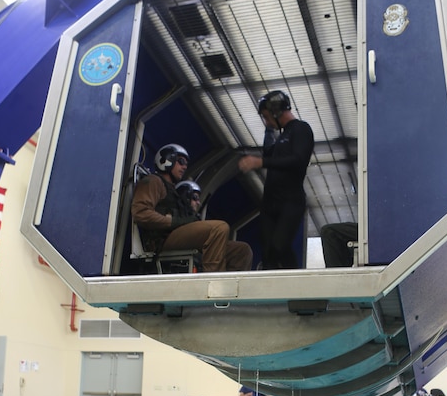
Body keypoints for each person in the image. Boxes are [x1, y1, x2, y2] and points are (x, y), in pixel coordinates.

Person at [131, 144, 252, 273]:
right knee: (219, 228)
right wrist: (172, 221)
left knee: (241, 251)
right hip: (163, 239)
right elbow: (141, 213)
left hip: (176, 235)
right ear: (166, 160)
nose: (184, 167)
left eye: (186, 164)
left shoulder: (174, 191)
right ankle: (211, 280)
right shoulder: (154, 181)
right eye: (181, 161)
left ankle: (229, 289)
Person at [238, 91, 314, 270]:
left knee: (280, 246)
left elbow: (299, 160)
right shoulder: (282, 136)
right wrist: (268, 130)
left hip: (291, 200)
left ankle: (297, 285)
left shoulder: (301, 129)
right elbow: (269, 152)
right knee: (268, 253)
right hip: (271, 202)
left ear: (276, 112)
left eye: (266, 117)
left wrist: (260, 162)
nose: (266, 121)